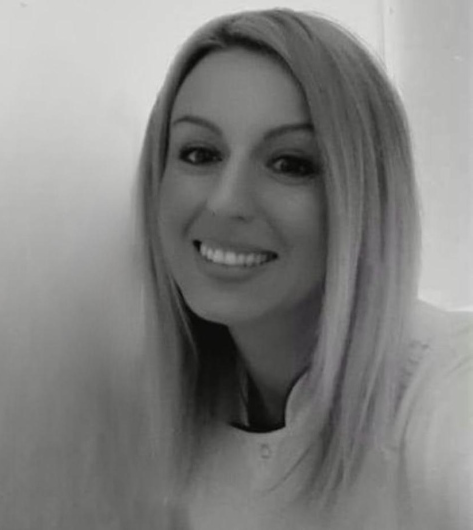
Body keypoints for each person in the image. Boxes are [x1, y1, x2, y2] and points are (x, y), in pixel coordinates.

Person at [129, 8, 473, 530]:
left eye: (290, 163)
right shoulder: (176, 422)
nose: (225, 202)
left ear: (364, 198)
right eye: (200, 154)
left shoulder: (449, 386)